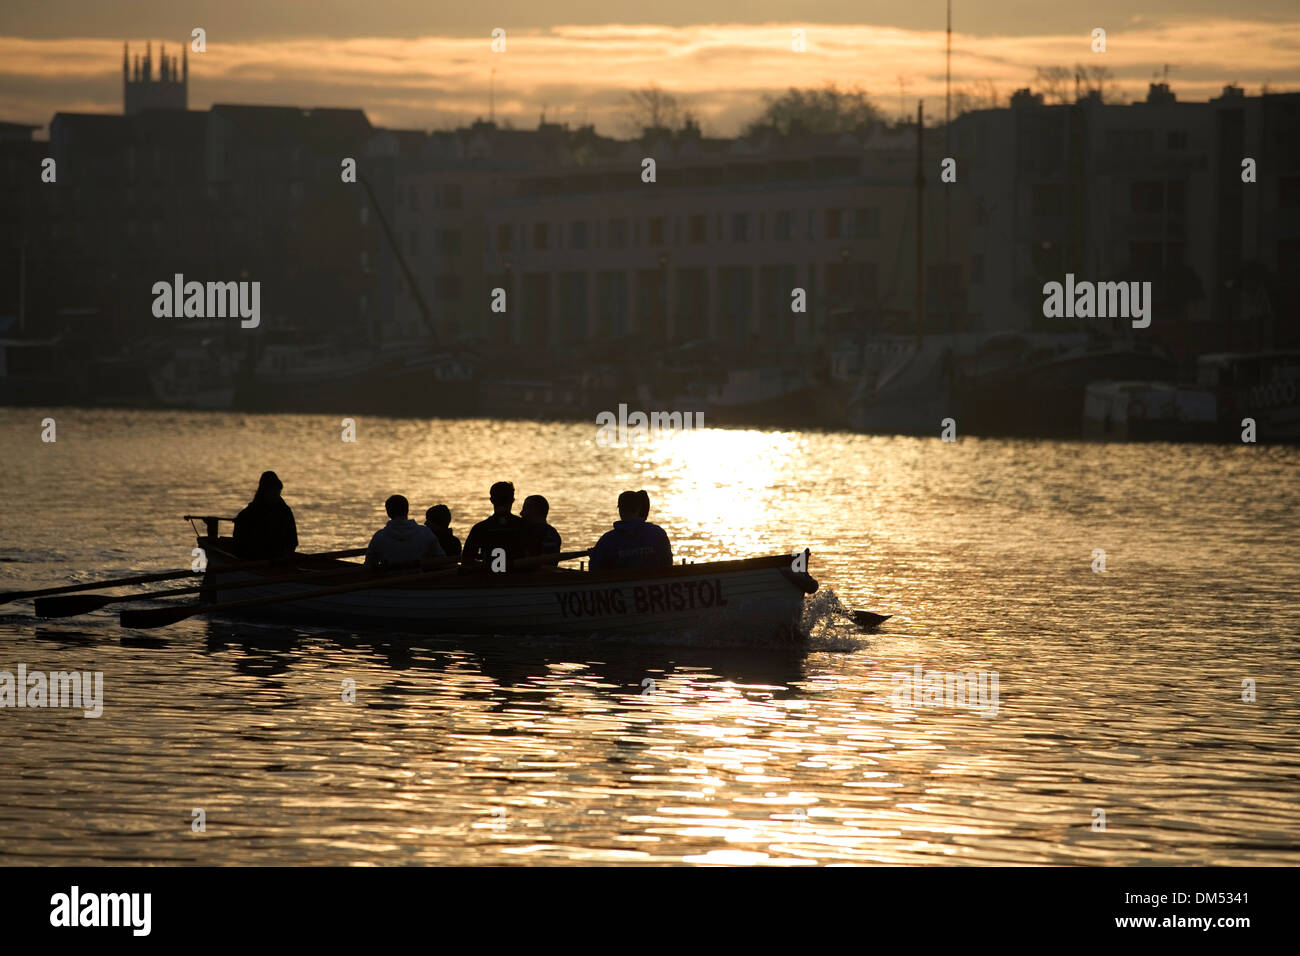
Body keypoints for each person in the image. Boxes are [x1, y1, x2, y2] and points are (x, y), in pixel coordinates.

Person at [589, 490, 673, 572]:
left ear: (620, 509)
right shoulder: (658, 533)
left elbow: (594, 570)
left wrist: (594, 555)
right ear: (639, 509)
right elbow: (668, 563)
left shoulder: (607, 540)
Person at [461, 481, 539, 567]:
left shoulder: (480, 528)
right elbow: (537, 559)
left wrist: (485, 565)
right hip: (518, 577)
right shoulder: (525, 526)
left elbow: (466, 561)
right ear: (512, 500)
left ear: (491, 500)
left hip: (489, 577)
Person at [365, 494, 444, 569]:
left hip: (390, 581)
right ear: (407, 510)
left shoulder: (379, 537)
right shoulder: (425, 532)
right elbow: (441, 558)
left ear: (388, 513)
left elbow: (369, 564)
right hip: (420, 580)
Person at [233, 470, 298, 559]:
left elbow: (293, 542)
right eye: (272, 491)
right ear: (264, 492)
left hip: (280, 560)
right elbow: (240, 545)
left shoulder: (285, 511)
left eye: (277, 491)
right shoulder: (248, 514)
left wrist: (285, 554)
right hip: (256, 559)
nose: (276, 495)